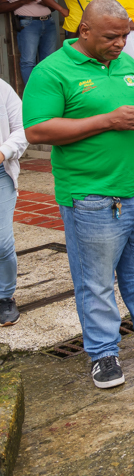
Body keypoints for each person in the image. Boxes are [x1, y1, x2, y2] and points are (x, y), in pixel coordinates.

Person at [24, 0, 134, 388]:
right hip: (92, 194)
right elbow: (37, 131)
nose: (121, 43)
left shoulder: (125, 63)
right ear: (84, 31)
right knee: (96, 280)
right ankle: (103, 354)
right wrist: (107, 120)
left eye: (125, 35)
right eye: (111, 36)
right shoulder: (51, 71)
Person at [0, 0, 57, 83]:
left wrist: (46, 3)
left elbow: (53, 7)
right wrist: (24, 1)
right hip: (28, 24)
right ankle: (33, 93)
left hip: (48, 23)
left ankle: (47, 89)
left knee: (49, 60)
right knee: (28, 61)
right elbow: (1, 7)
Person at [0, 78, 28, 327]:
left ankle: (4, 296)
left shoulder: (2, 89)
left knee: (1, 241)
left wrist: (3, 152)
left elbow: (23, 129)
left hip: (0, 173)